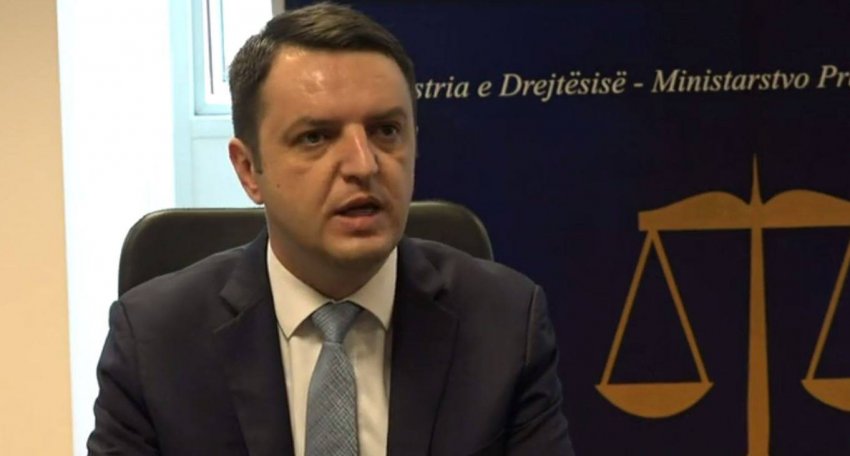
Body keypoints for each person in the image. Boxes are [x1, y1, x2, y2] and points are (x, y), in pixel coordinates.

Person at [87, 3, 574, 455]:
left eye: (386, 131)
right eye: (315, 137)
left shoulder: (505, 324)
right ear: (249, 170)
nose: (364, 165)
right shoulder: (154, 342)